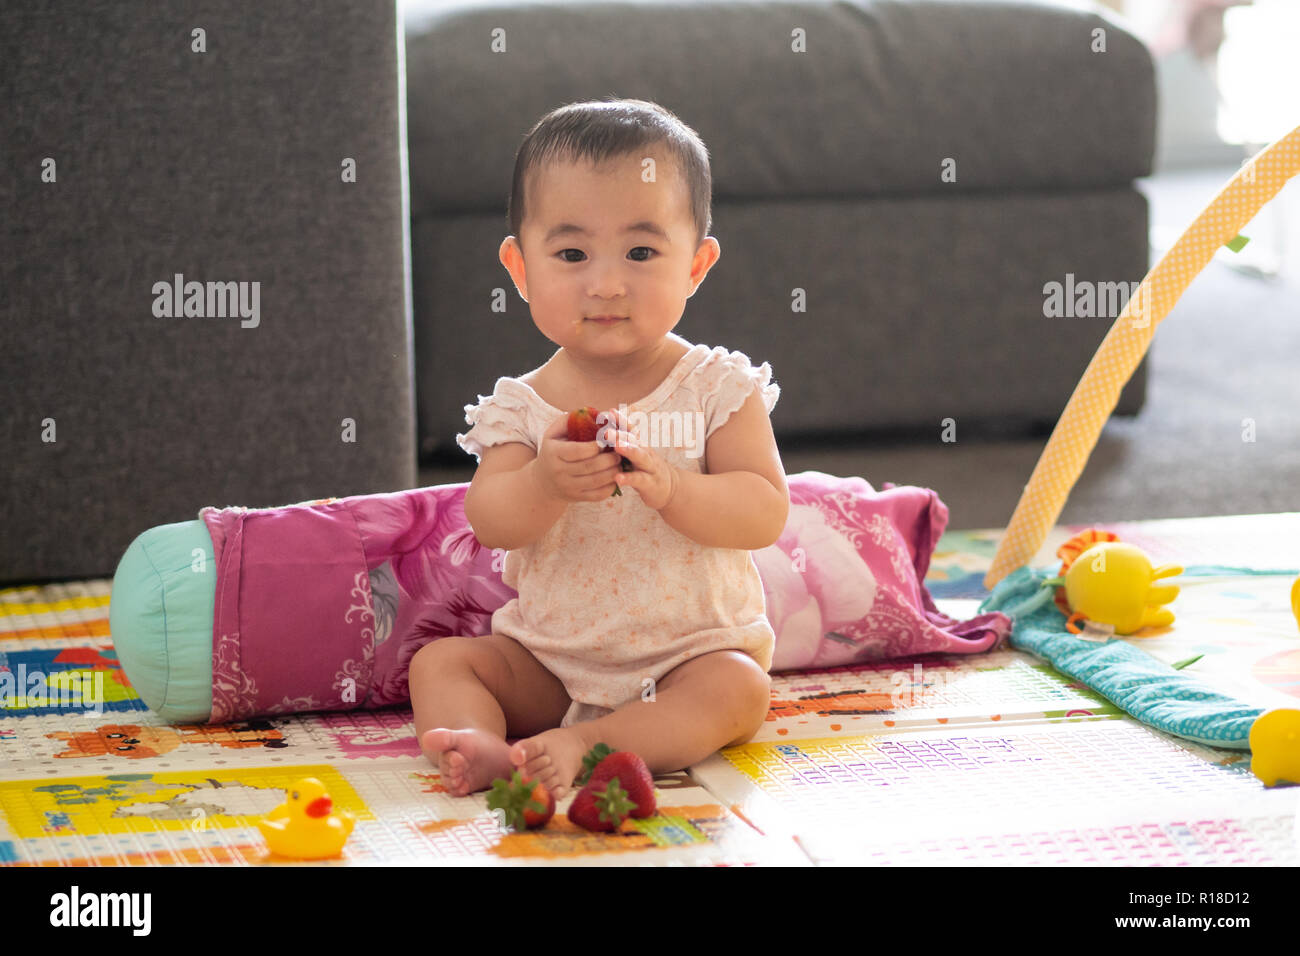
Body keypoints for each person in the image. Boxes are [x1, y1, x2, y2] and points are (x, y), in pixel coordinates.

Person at [411, 98, 788, 800]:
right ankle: (485, 746)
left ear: (696, 266)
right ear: (520, 269)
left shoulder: (715, 387)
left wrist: (676, 489)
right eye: (572, 253)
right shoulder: (520, 408)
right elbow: (490, 519)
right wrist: (543, 485)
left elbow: (764, 511)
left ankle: (587, 745)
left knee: (739, 690)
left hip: (689, 657)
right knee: (441, 663)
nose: (607, 283)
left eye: (642, 252)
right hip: (549, 660)